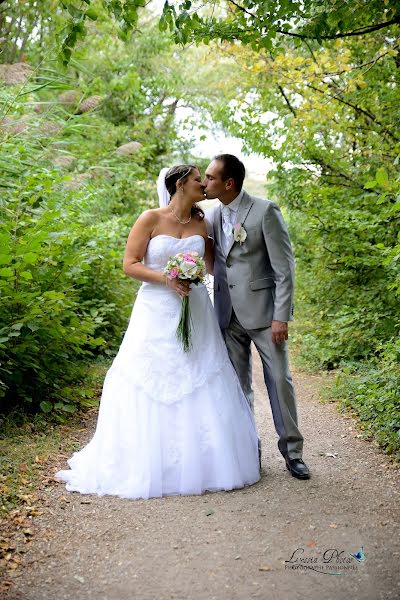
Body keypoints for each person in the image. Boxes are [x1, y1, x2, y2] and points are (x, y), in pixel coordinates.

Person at [56, 165, 260, 499]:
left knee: (200, 372)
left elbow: (214, 265)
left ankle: (205, 461)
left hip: (194, 310)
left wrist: (238, 249)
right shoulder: (150, 218)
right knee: (149, 374)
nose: (203, 185)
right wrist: (168, 278)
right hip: (155, 309)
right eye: (198, 180)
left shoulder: (202, 222)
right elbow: (130, 264)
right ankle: (149, 462)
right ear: (181, 184)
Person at [204, 154, 310, 480]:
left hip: (265, 314)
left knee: (279, 380)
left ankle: (293, 452)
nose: (205, 183)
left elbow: (284, 269)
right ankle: (249, 452)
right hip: (226, 314)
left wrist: (282, 317)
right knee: (238, 388)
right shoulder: (209, 217)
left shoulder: (265, 211)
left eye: (210, 177)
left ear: (229, 183)